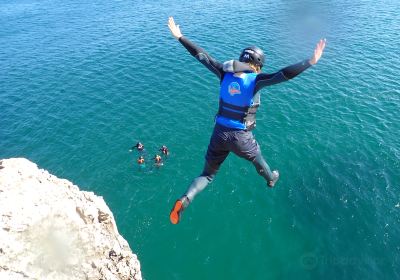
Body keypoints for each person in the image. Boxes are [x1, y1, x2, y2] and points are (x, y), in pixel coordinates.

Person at [167, 17, 326, 224]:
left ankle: (185, 199)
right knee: (259, 161)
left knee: (207, 175)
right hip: (240, 136)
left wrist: (180, 36)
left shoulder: (224, 73)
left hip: (219, 133)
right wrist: (310, 61)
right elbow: (284, 74)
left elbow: (201, 56)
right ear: (258, 65)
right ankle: (271, 179)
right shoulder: (257, 79)